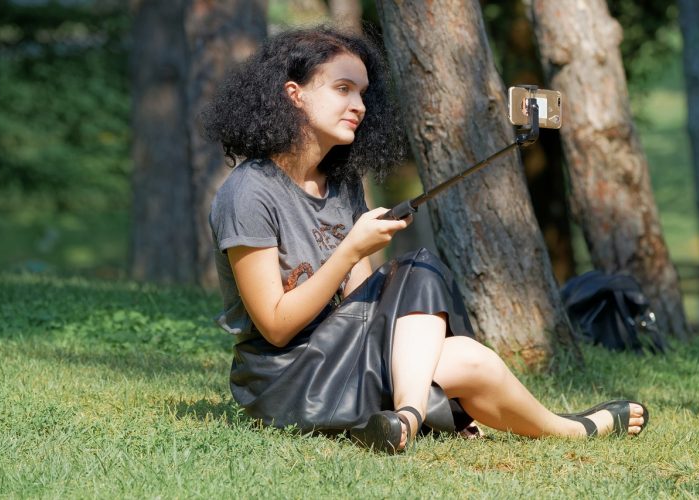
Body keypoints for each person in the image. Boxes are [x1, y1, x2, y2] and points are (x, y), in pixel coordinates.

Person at [203, 26, 648, 453]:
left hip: (342, 362)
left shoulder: (341, 184)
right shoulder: (249, 191)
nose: (359, 105)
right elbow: (276, 326)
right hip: (285, 383)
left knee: (469, 358)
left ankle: (557, 428)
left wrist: (363, 261)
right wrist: (351, 250)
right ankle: (418, 414)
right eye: (343, 89)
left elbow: (364, 308)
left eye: (363, 93)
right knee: (418, 268)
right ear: (294, 94)